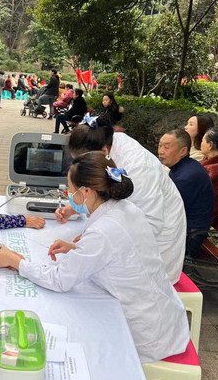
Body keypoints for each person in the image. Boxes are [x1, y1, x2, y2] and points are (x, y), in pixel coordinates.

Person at [0, 152, 189, 363]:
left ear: (87, 191)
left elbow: (59, 280)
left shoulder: (104, 230)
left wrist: (14, 261)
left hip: (146, 333)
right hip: (165, 314)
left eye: (70, 190)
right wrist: (76, 248)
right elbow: (118, 251)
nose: (69, 195)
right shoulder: (126, 208)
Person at [62, 116, 187, 284]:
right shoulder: (104, 140)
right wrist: (77, 205)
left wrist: (96, 239)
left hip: (157, 245)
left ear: (104, 152)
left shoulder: (139, 168)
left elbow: (150, 225)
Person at [158, 128, 214, 256]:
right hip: (183, 227)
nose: (161, 151)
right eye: (160, 146)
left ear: (183, 151)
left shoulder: (186, 177)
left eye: (166, 147)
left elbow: (166, 210)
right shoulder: (184, 167)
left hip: (190, 235)